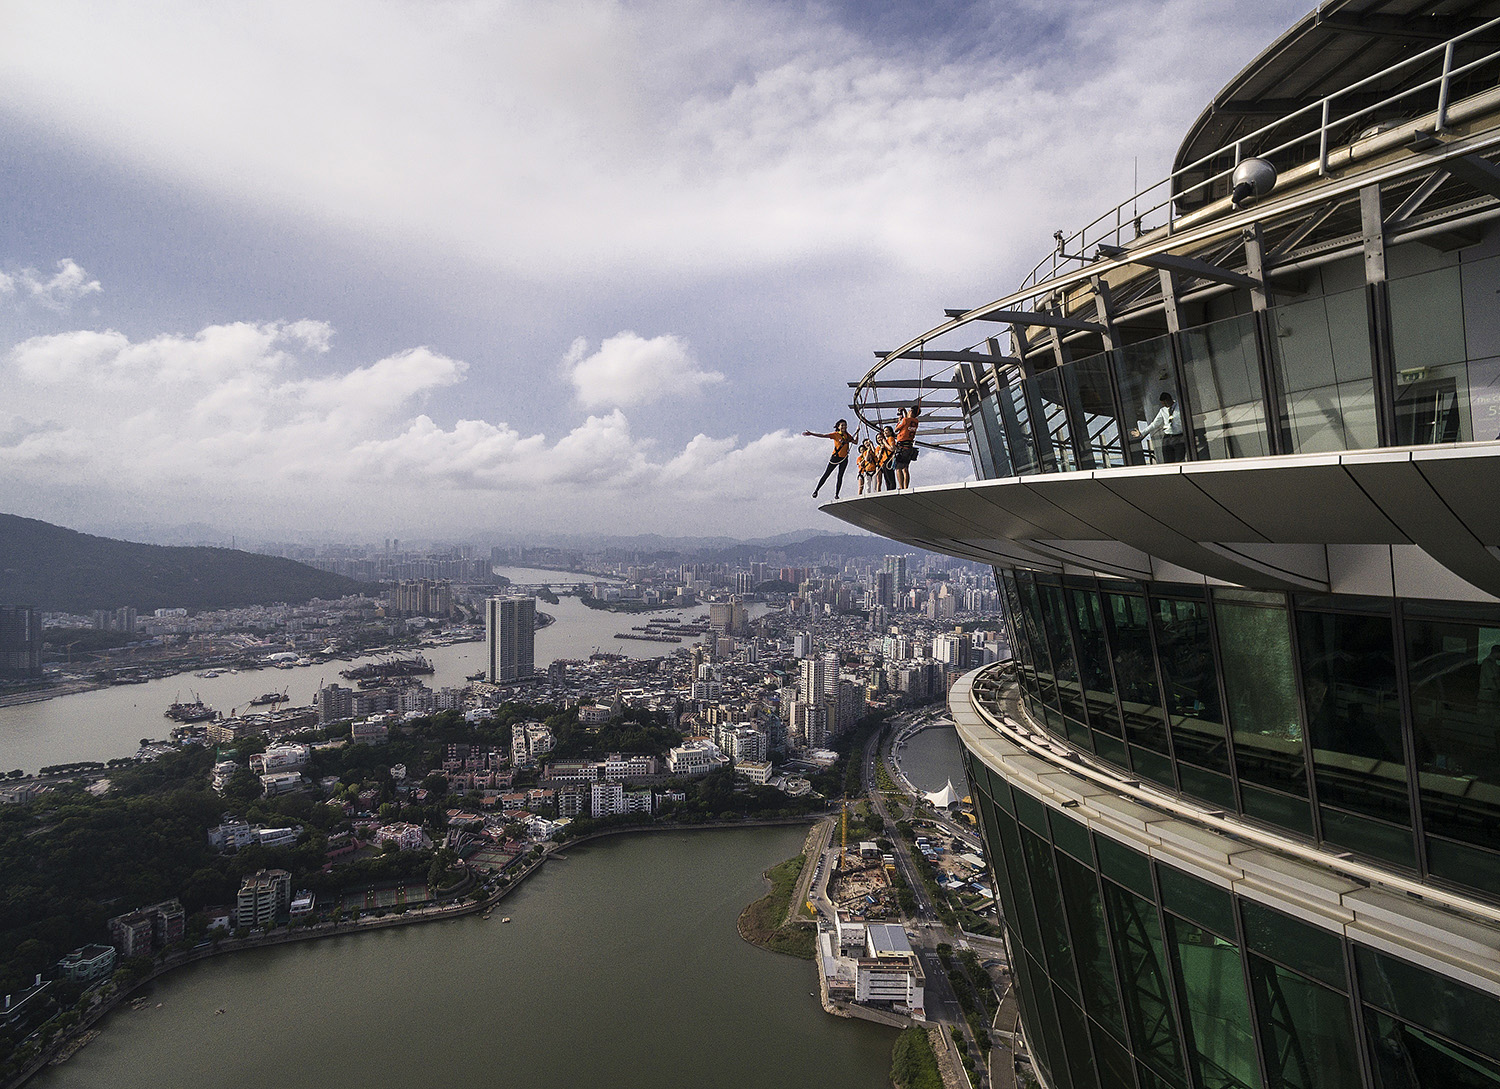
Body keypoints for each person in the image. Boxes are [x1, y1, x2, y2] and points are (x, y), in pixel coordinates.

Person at [803, 419, 852, 499]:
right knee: (826, 474)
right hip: (835, 457)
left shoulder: (848, 435)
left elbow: (855, 442)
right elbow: (823, 435)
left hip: (844, 458)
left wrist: (857, 432)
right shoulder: (835, 434)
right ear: (838, 427)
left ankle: (836, 494)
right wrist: (812, 434)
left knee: (840, 476)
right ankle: (816, 490)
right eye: (842, 425)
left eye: (845, 425)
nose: (844, 427)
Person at [1132, 392, 1185, 463]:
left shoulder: (1180, 407)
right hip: (1167, 437)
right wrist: (1142, 432)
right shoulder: (1163, 410)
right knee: (1167, 460)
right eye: (1163, 403)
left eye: (1165, 403)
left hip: (1179, 437)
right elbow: (1154, 424)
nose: (1164, 405)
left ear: (1169, 399)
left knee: (1179, 459)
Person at [893, 405, 921, 489]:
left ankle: (901, 487)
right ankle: (905, 487)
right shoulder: (916, 421)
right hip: (909, 447)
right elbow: (907, 423)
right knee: (905, 468)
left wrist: (900, 421)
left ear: (911, 412)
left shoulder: (905, 420)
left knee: (898, 468)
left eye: (909, 411)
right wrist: (904, 413)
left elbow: (896, 429)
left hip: (902, 446)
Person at [878, 426, 898, 492]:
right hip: (884, 461)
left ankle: (892, 491)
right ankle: (889, 490)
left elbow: (892, 448)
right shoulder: (886, 440)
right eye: (884, 431)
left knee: (890, 478)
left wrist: (885, 443)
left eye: (886, 430)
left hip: (888, 459)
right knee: (887, 479)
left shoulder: (890, 438)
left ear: (890, 432)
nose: (885, 432)